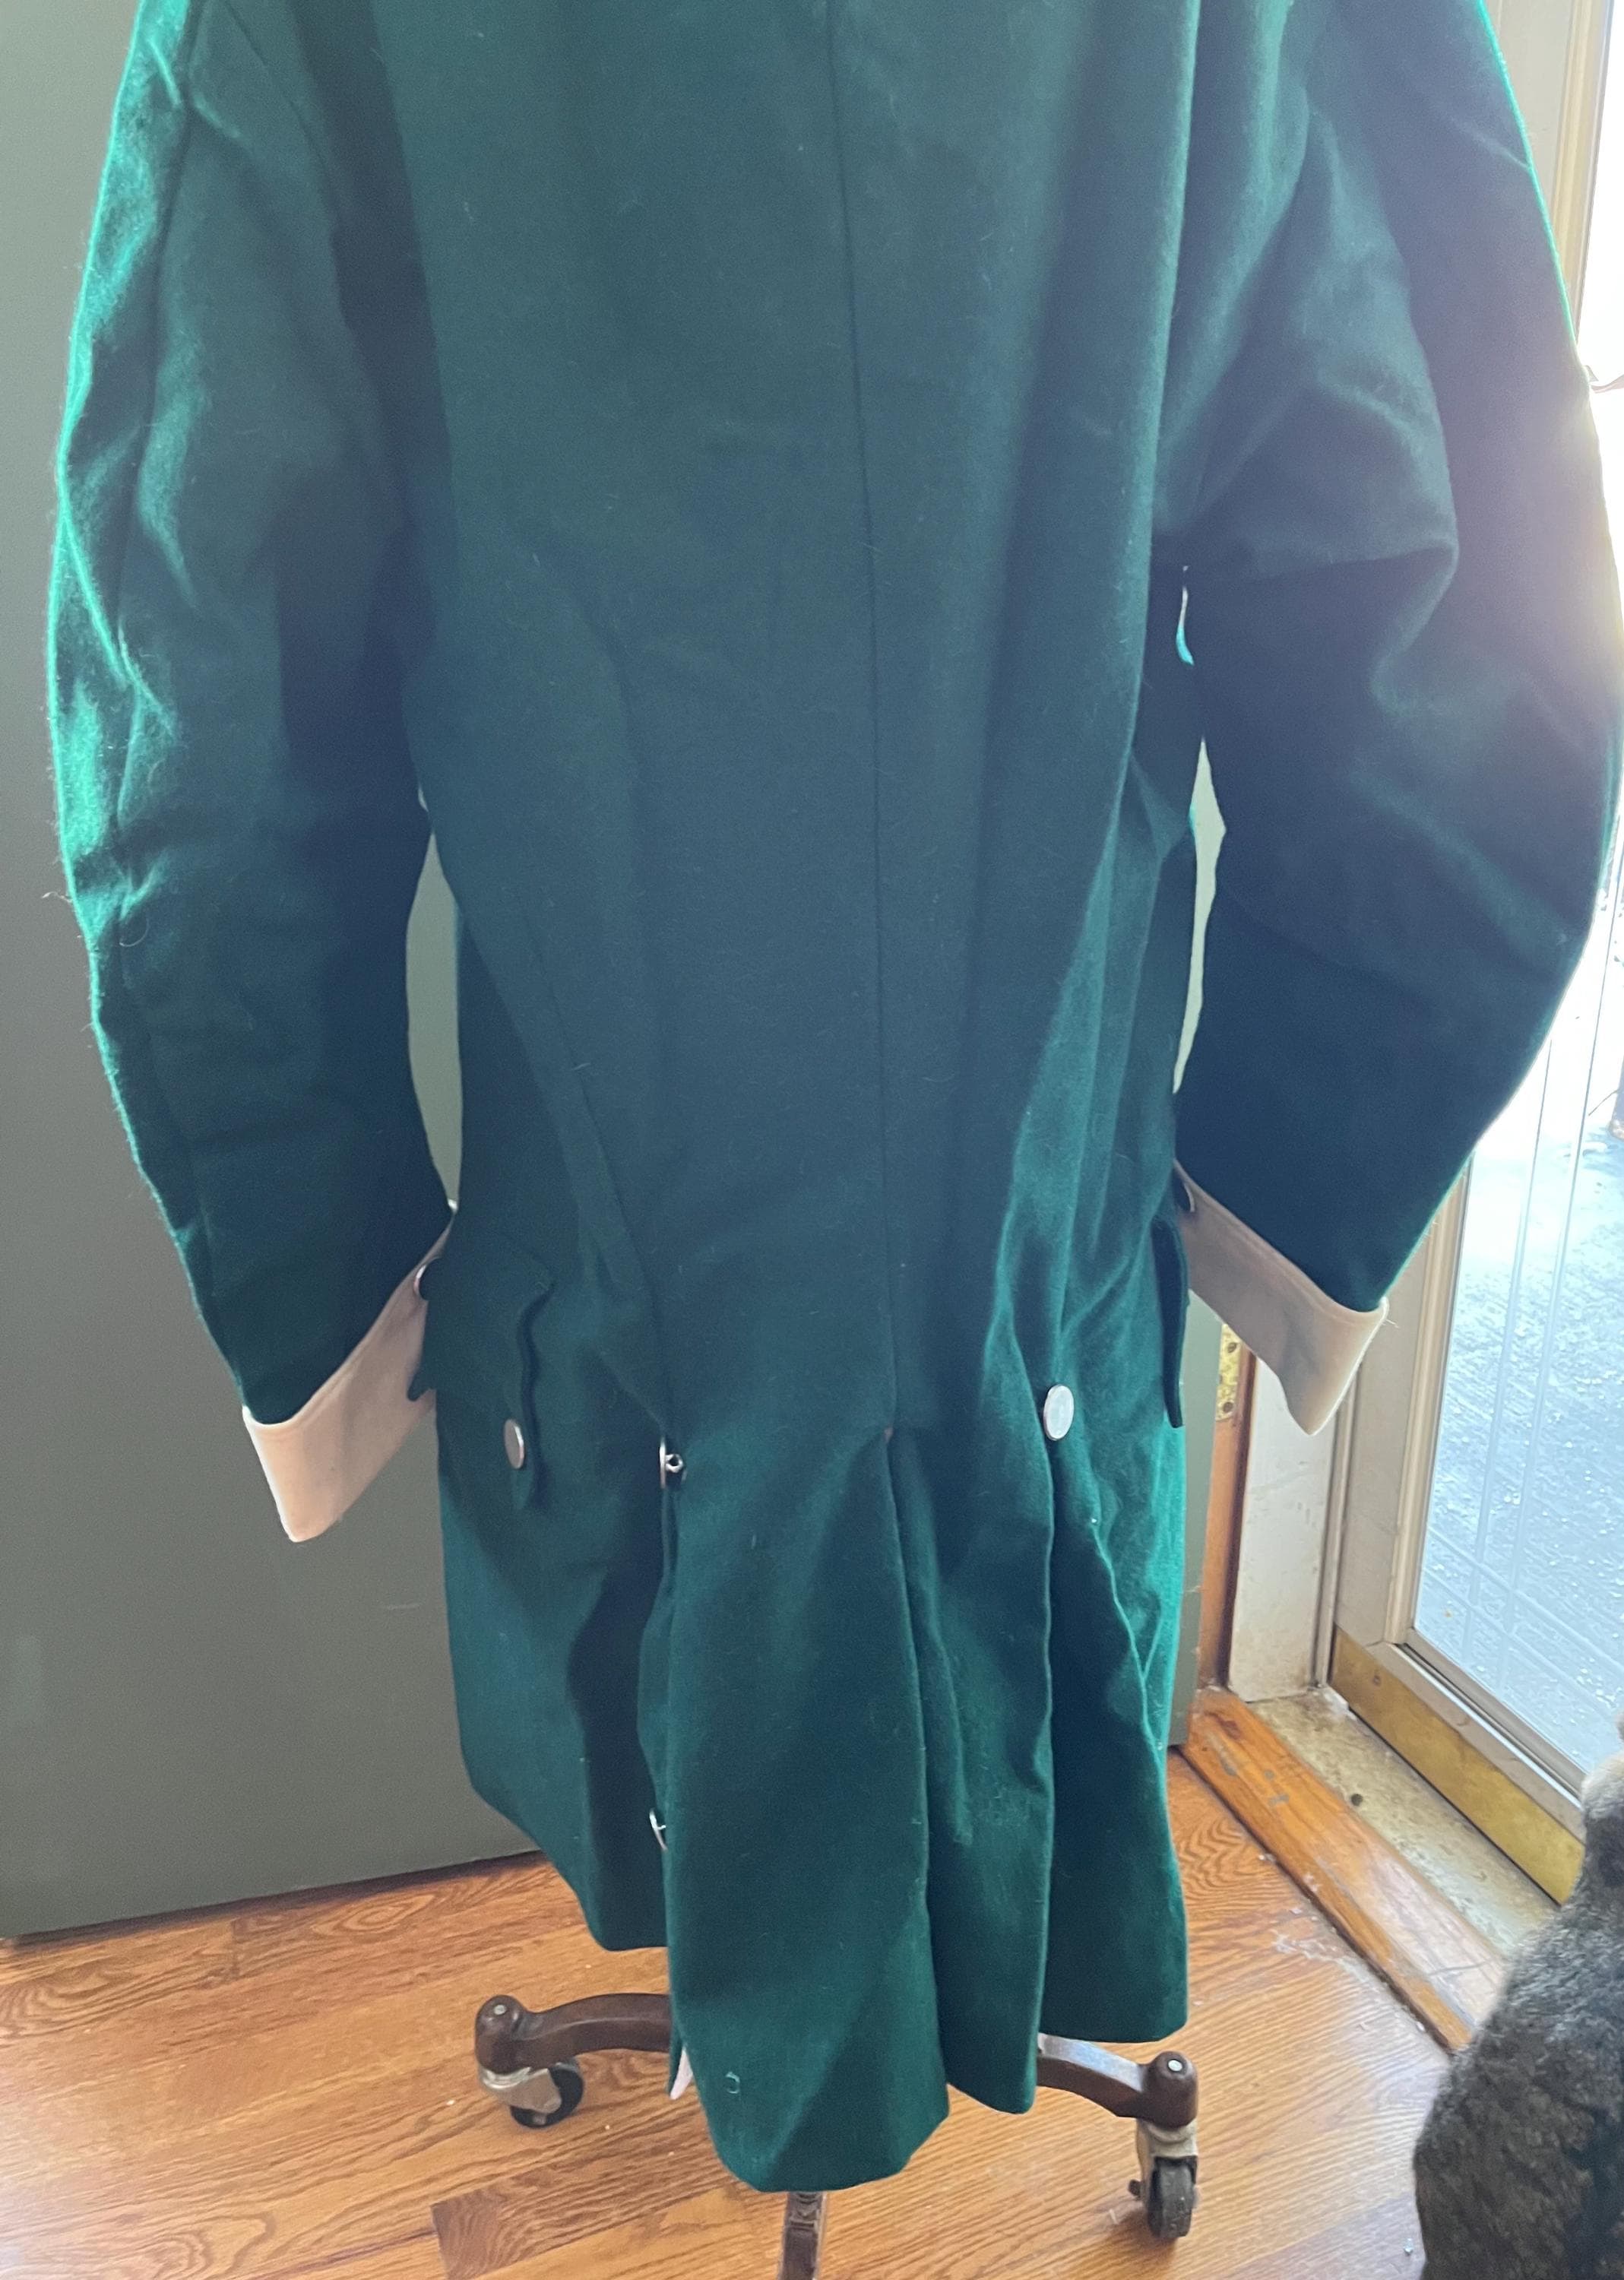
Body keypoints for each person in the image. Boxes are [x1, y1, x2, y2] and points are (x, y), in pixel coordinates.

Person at [46, 0, 1624, 2194]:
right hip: (1028, 1254)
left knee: (727, 1602)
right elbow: (1457, 611)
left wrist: (313, 1241)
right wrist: (1304, 1151)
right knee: (943, 1581)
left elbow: (190, 693)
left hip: (634, 1281)